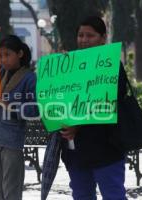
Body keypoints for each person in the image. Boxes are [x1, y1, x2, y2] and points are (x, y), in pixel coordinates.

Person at [60, 16, 127, 200]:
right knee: (81, 195)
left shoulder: (112, 66)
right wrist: (61, 72)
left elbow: (107, 103)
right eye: (81, 35)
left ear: (103, 38)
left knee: (113, 195)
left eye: (90, 35)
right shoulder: (68, 65)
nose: (84, 40)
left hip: (107, 148)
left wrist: (77, 126)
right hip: (77, 151)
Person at [0, 35, 38, 200]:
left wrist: (10, 106)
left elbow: (35, 109)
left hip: (11, 141)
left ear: (20, 54)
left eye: (7, 54)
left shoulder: (30, 78)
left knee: (11, 191)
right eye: (0, 55)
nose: (3, 59)